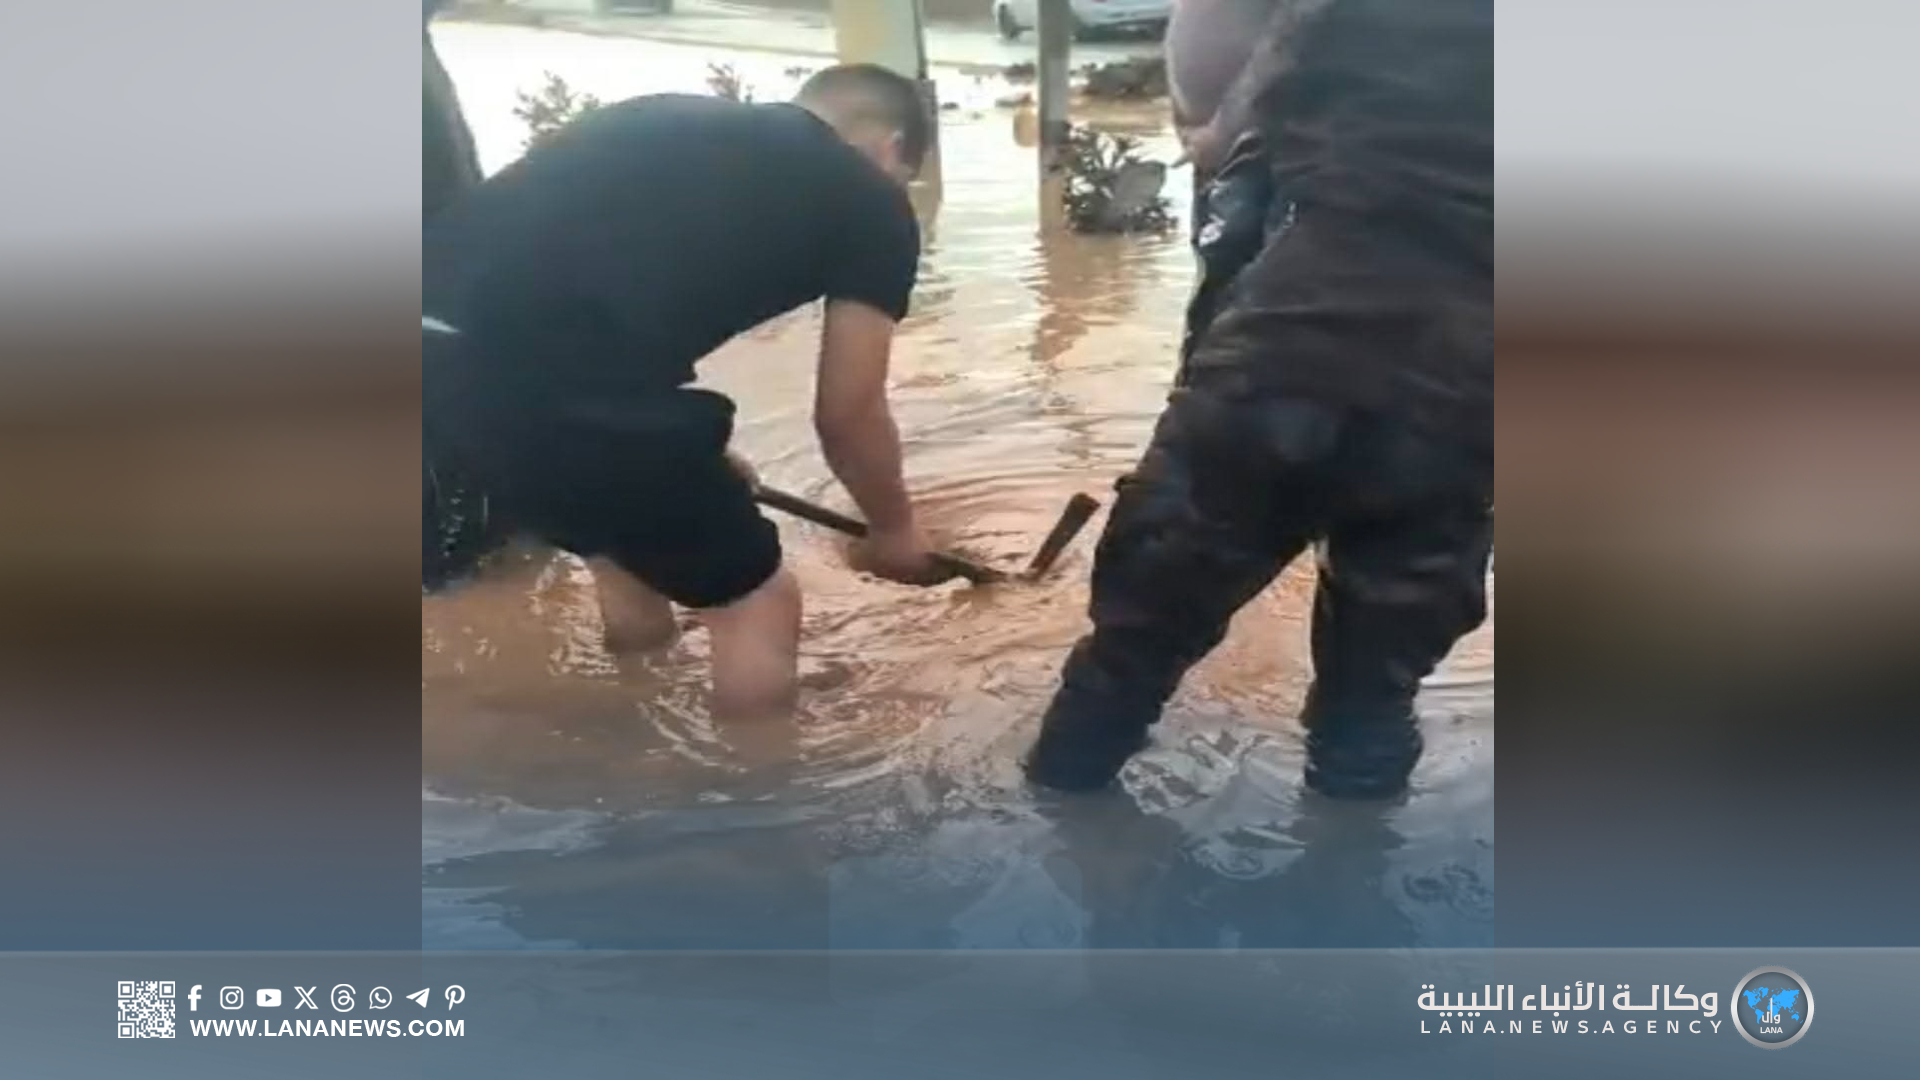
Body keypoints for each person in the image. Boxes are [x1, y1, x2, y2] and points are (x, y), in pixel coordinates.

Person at [1024, 0, 1494, 800]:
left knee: (1126, 663)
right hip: (1467, 396)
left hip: (1282, 361)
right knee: (1373, 703)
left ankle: (1055, 838)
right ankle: (1353, 866)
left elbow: (1214, 144)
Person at [422, 65, 950, 732]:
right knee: (757, 603)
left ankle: (641, 706)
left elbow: (574, 286)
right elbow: (849, 413)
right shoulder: (871, 198)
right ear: (890, 148)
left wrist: (704, 459)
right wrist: (894, 531)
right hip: (547, 376)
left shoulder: (659, 114)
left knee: (618, 542)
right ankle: (756, 779)